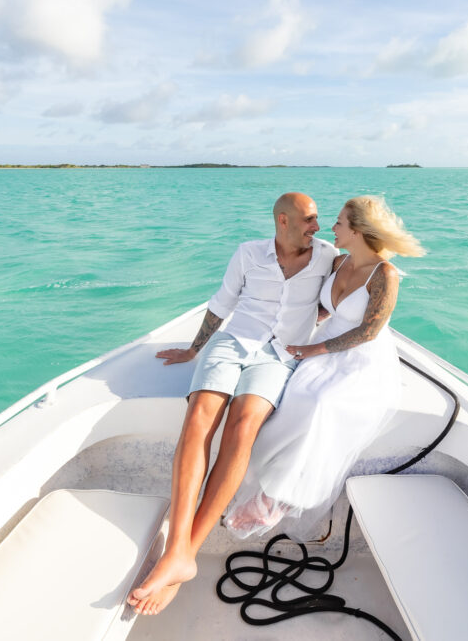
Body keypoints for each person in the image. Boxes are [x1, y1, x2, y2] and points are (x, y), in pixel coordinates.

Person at [127, 192, 337, 615]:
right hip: (233, 342)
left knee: (243, 428)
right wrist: (192, 350)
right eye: (309, 219)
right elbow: (222, 305)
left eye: (317, 219)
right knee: (200, 416)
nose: (318, 226)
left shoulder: (328, 257)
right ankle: (178, 549)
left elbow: (347, 294)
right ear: (283, 220)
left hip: (282, 354)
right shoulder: (248, 253)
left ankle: (183, 553)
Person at [223, 195, 425, 541]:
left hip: (362, 358)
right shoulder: (338, 263)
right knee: (290, 396)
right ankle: (263, 483)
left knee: (321, 405)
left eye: (340, 223)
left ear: (358, 230)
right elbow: (316, 306)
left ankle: (279, 500)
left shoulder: (385, 275)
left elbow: (368, 332)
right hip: (323, 346)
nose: (332, 228)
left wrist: (311, 348)